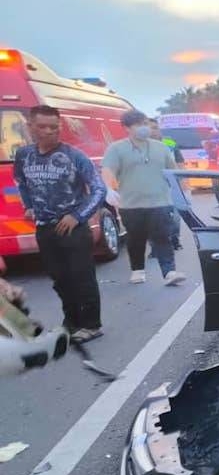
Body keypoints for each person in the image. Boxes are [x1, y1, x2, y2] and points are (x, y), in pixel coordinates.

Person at [13, 105, 107, 342]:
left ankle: (92, 324)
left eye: (54, 127)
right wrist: (29, 206)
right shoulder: (24, 155)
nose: (49, 132)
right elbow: (21, 181)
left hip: (73, 230)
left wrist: (77, 215)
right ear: (30, 127)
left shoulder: (75, 157)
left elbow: (98, 189)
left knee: (81, 277)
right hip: (45, 228)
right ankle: (71, 322)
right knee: (60, 279)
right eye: (42, 127)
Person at [101, 110, 187, 286]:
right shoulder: (117, 149)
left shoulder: (161, 147)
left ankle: (169, 271)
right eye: (139, 125)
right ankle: (137, 269)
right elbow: (108, 169)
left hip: (160, 202)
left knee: (163, 237)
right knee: (136, 238)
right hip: (131, 204)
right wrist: (108, 189)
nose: (144, 128)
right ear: (126, 128)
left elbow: (173, 172)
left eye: (145, 124)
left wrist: (183, 191)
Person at [149, 118, 184, 249]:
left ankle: (175, 239)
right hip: (149, 187)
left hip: (171, 184)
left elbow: (180, 162)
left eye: (154, 128)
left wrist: (181, 180)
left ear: (159, 129)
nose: (152, 131)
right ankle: (155, 246)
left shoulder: (169, 143)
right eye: (149, 128)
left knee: (175, 216)